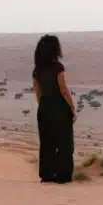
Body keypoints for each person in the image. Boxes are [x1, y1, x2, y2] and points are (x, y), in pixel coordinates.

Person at [32, 34, 76, 183]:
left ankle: (47, 175)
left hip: (44, 108)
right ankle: (63, 176)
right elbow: (64, 89)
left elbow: (38, 93)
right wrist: (72, 108)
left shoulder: (37, 70)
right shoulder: (58, 67)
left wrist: (44, 107)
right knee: (65, 143)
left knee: (46, 143)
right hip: (59, 108)